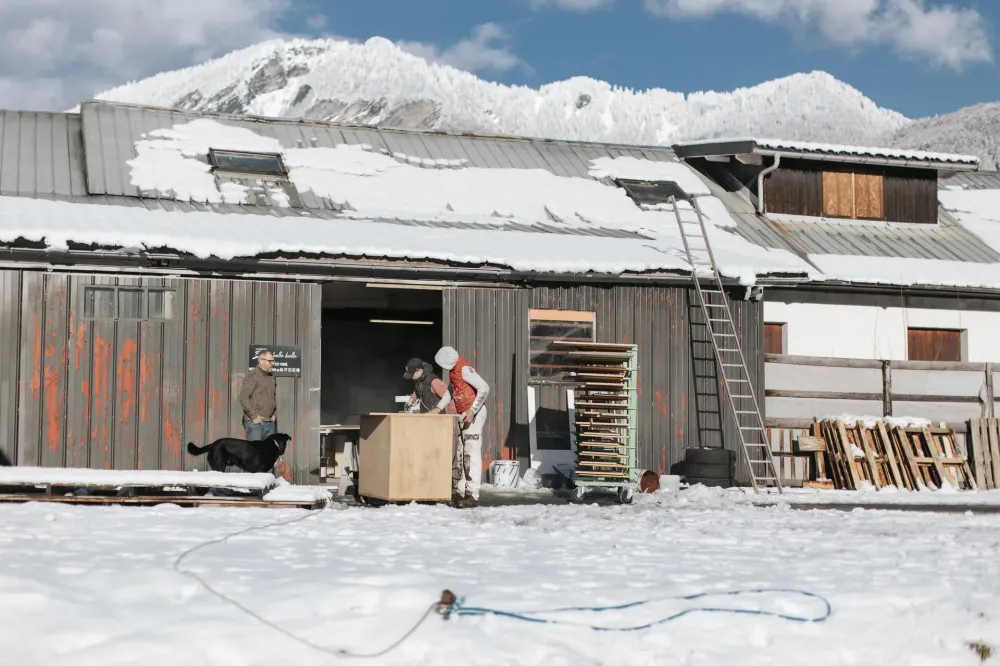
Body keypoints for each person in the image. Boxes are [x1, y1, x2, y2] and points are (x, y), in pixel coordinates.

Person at [434, 345, 490, 507]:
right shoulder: (454, 372)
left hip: (473, 413)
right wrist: (438, 407)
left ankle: (472, 494)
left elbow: (484, 388)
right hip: (463, 413)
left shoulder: (464, 369)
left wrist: (473, 410)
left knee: (470, 453)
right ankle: (461, 492)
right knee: (461, 453)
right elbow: (450, 392)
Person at [239, 349, 277, 442]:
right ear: (261, 361)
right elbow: (243, 397)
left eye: (273, 361)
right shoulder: (252, 376)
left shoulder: (271, 377)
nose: (273, 363)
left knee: (268, 453)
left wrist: (273, 414)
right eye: (270, 361)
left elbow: (272, 397)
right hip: (255, 423)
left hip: (269, 422)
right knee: (254, 453)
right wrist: (254, 416)